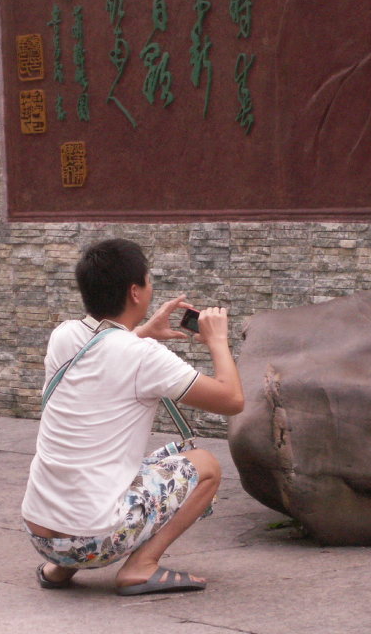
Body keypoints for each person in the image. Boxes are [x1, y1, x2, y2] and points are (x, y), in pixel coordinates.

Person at [22, 238, 245, 596]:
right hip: (94, 540)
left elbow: (106, 354)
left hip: (40, 533)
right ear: (135, 292)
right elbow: (232, 400)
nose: (151, 287)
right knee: (204, 465)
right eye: (148, 280)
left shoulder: (63, 336)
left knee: (142, 460)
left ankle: (60, 569)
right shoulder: (143, 356)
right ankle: (141, 566)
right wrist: (218, 340)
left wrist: (140, 331)